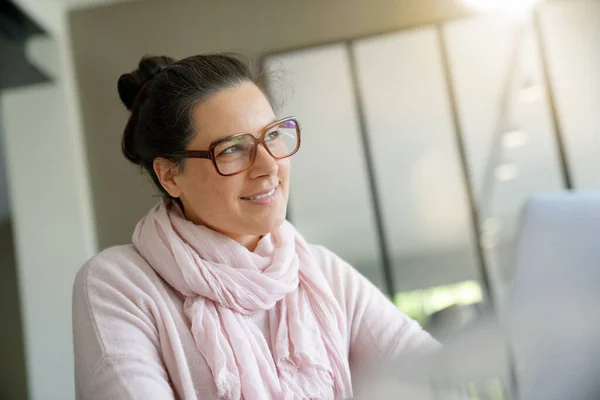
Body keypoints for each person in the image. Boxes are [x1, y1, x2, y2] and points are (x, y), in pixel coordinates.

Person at [72, 53, 438, 400]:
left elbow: (436, 379)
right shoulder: (120, 283)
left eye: (273, 135)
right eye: (232, 148)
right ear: (170, 176)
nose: (269, 166)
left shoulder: (319, 272)